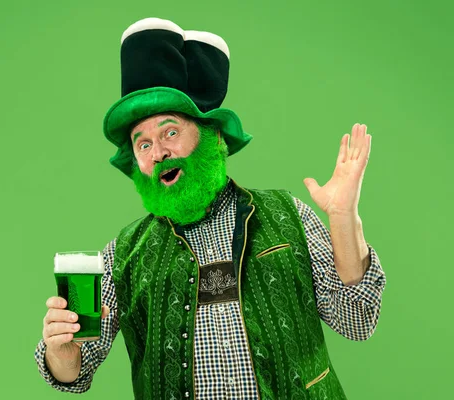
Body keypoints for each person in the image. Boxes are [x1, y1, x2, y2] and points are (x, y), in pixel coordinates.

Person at [35, 17, 386, 399]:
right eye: (143, 144)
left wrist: (342, 217)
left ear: (212, 136)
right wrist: (61, 351)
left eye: (170, 132)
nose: (159, 152)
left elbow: (357, 320)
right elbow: (74, 372)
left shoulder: (289, 214)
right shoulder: (123, 256)